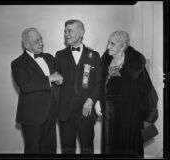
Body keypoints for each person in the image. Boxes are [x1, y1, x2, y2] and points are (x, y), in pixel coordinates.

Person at [99, 30, 158, 158]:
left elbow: (148, 92)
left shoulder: (135, 65)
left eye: (113, 44)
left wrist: (148, 117)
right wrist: (99, 102)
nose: (108, 46)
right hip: (109, 116)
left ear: (123, 46)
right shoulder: (104, 63)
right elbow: (99, 86)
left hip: (130, 118)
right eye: (108, 42)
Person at [11, 27, 63, 154]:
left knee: (50, 149)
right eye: (36, 41)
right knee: (33, 151)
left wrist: (59, 78)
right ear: (26, 44)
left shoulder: (49, 57)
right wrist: (51, 78)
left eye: (41, 39)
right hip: (32, 117)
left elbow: (56, 75)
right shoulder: (17, 63)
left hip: (51, 113)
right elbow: (26, 86)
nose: (41, 43)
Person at [55, 19, 102, 154]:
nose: (66, 34)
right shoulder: (59, 55)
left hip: (86, 111)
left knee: (87, 149)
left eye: (70, 31)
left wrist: (91, 100)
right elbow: (55, 81)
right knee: (67, 150)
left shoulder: (94, 55)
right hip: (65, 112)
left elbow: (99, 82)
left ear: (81, 33)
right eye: (65, 31)